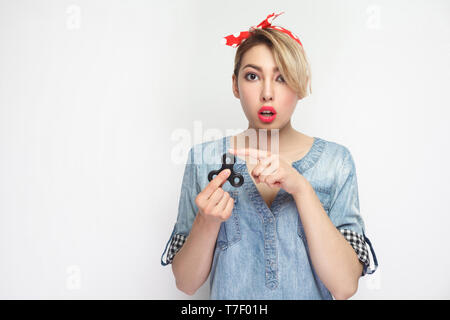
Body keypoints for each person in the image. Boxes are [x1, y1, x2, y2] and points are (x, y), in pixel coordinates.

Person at [161, 12, 378, 300]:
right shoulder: (204, 158)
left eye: (282, 78)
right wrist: (207, 221)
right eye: (253, 76)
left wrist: (301, 188)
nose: (267, 93)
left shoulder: (335, 162)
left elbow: (345, 286)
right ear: (236, 85)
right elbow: (186, 283)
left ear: (300, 86)